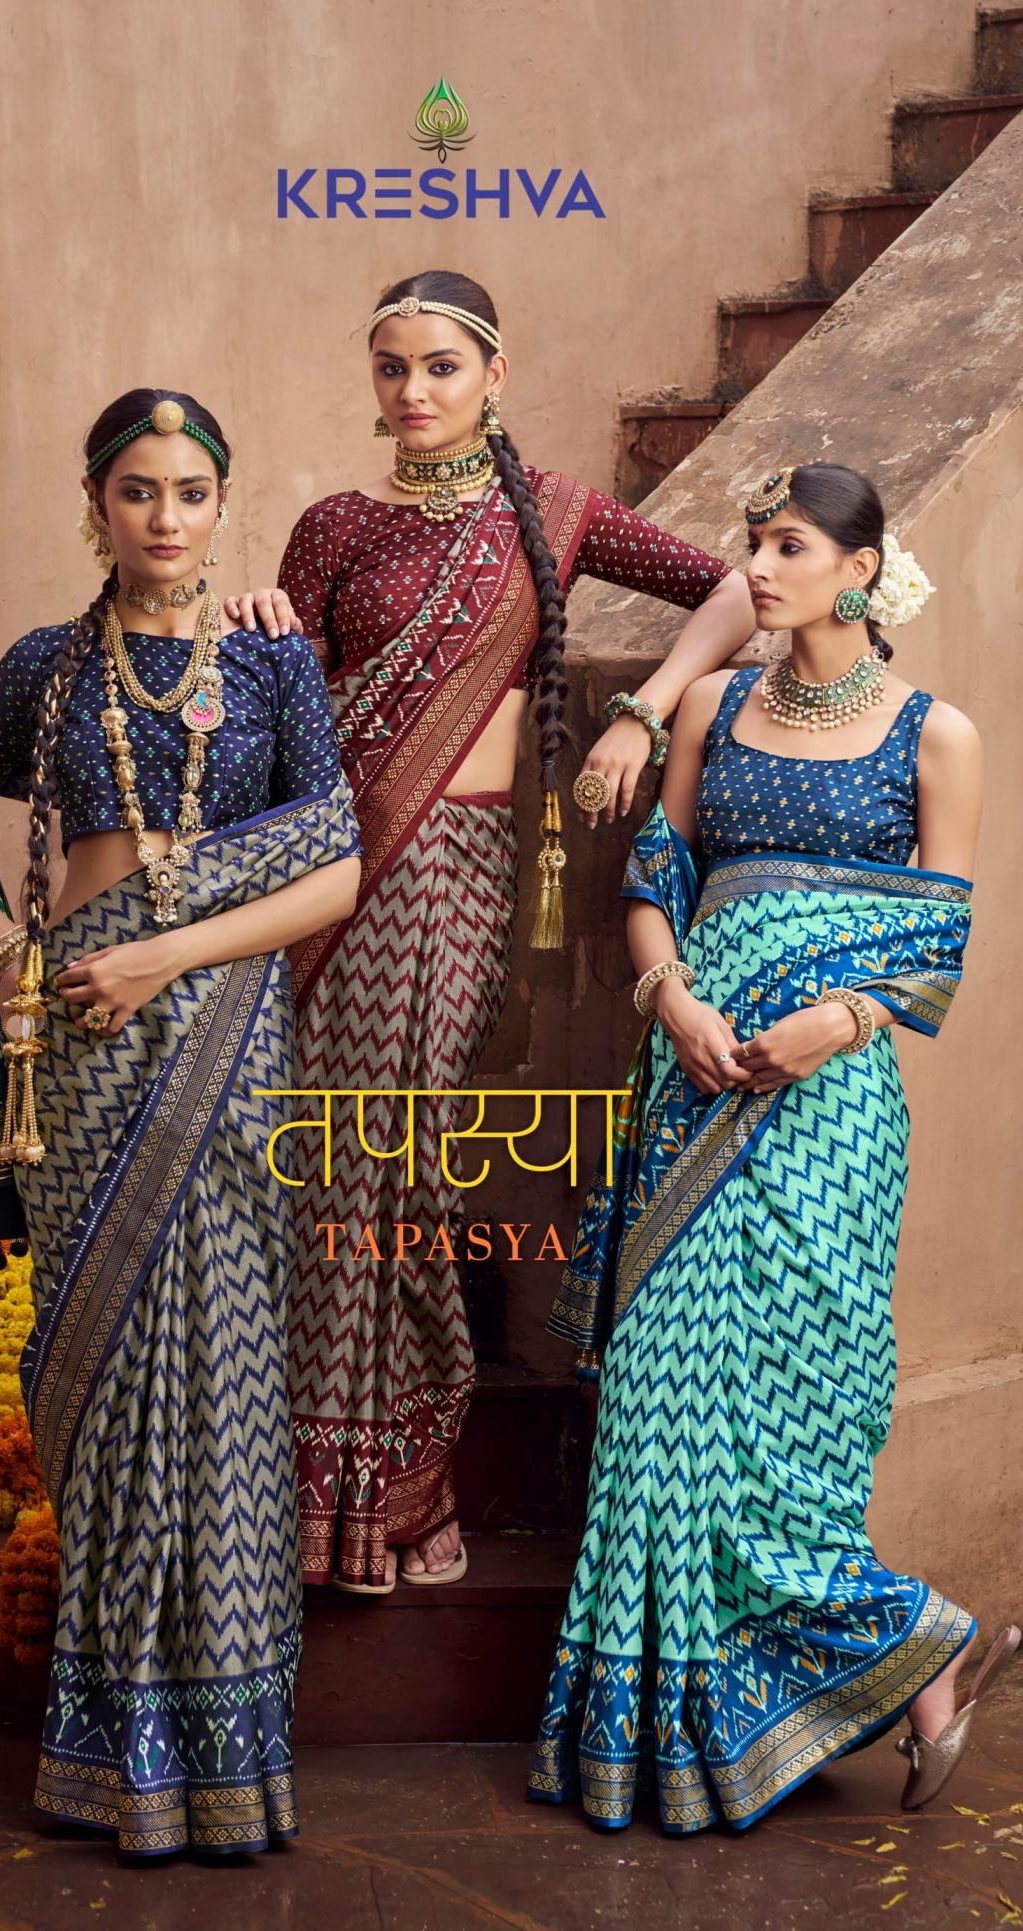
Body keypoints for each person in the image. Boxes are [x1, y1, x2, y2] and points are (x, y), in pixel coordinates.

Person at [245, 268, 756, 1595]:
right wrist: (251, 631)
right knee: (325, 1170)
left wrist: (645, 708)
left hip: (461, 874)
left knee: (404, 1167)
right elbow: (286, 721)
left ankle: (395, 1487)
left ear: (494, 376)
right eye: (391, 368)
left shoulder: (557, 516)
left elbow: (736, 591)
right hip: (330, 883)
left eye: (440, 367)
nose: (413, 391)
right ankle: (306, 1495)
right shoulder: (333, 527)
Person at [0, 389, 361, 1858]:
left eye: (192, 492)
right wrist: (6, 948)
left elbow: (334, 868)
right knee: (101, 1378)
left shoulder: (273, 661)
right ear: (96, 503)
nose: (167, 517)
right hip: (83, 1050)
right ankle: (111, 1751)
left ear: (225, 503)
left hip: (225, 1035)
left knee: (223, 1369)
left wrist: (169, 952)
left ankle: (223, 1760)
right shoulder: (46, 667)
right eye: (139, 491)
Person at [528, 461, 1019, 1832]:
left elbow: (937, 941)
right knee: (659, 1413)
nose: (755, 566)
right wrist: (669, 998)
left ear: (861, 570)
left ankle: (906, 1652)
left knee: (795, 1407)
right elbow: (654, 880)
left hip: (829, 1111)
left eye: (788, 545)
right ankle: (859, 1673)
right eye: (752, 543)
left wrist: (832, 1025)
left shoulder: (935, 736)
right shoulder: (712, 705)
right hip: (690, 1083)